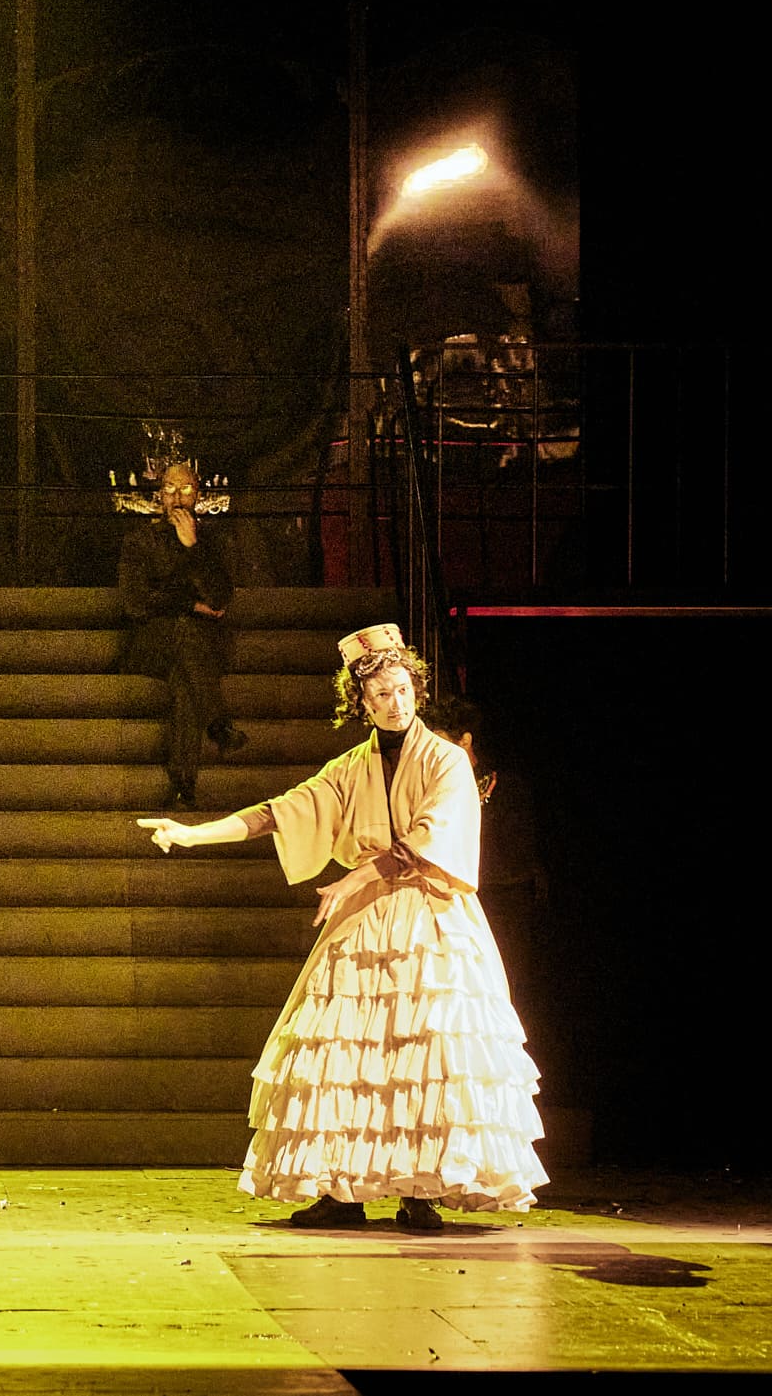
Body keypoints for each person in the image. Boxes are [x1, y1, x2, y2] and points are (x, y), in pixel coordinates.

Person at [139, 625, 544, 1230]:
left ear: (416, 690)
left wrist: (352, 880)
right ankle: (343, 1189)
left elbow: (430, 837)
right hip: (365, 917)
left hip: (430, 914)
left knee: (428, 1047)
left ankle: (421, 1189)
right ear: (361, 703)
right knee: (344, 1052)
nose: (395, 703)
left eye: (402, 690)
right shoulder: (351, 768)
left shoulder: (446, 761)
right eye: (380, 694)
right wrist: (194, 834)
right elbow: (280, 812)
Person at [119, 461, 245, 809]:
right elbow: (135, 602)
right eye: (170, 489)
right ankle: (217, 723)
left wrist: (192, 547)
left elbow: (219, 599)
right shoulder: (139, 542)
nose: (177, 498)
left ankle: (183, 788)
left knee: (185, 685)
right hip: (154, 643)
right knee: (185, 631)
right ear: (160, 495)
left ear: (198, 494)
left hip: (199, 650)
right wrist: (190, 604)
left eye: (186, 489)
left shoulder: (214, 542)